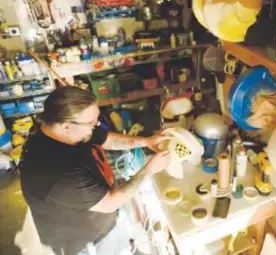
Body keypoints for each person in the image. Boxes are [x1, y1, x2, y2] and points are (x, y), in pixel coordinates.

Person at [19, 86, 172, 255]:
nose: (96, 126)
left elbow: (107, 139)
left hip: (103, 219)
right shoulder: (58, 172)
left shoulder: (65, 130)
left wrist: (146, 141)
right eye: (92, 123)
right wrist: (150, 169)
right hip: (84, 242)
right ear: (66, 127)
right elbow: (110, 203)